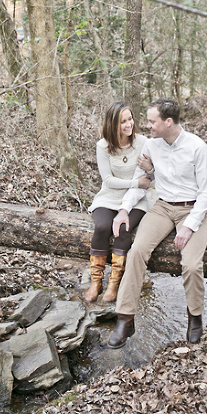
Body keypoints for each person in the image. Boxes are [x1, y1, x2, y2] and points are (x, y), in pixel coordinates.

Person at [107, 97, 207, 348]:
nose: (148, 126)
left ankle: (195, 318)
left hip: (192, 209)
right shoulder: (152, 146)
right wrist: (124, 210)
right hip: (162, 207)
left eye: (152, 121)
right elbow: (141, 182)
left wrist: (189, 226)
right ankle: (125, 318)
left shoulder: (197, 147)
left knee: (190, 264)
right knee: (136, 252)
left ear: (168, 121)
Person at [85, 101, 151, 304]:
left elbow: (148, 177)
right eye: (123, 121)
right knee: (103, 226)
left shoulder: (142, 143)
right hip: (109, 196)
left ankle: (114, 282)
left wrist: (145, 174)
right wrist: (135, 181)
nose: (128, 124)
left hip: (137, 199)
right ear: (113, 124)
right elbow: (108, 180)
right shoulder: (103, 146)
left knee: (124, 229)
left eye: (130, 119)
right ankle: (96, 282)